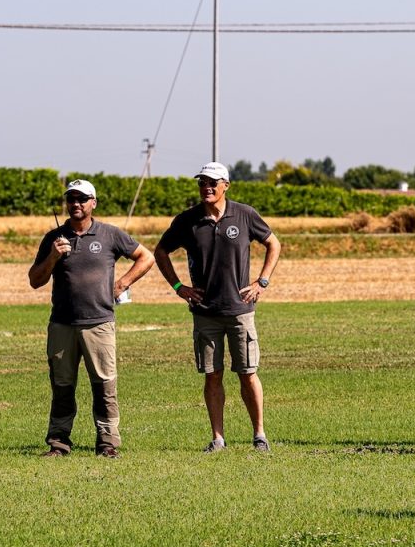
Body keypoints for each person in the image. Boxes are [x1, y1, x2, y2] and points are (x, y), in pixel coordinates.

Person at [154, 162, 282, 454]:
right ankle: (218, 438)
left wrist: (262, 281)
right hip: (205, 312)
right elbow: (160, 251)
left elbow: (273, 243)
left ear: (226, 185)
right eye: (202, 183)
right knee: (213, 375)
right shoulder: (188, 220)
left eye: (213, 183)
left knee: (248, 373)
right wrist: (178, 287)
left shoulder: (245, 214)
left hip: (240, 311)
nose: (207, 188)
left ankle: (259, 435)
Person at [28, 179, 154, 458]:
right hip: (62, 324)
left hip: (99, 323)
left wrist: (121, 284)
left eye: (82, 199)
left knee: (104, 385)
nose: (75, 204)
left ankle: (107, 442)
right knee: (62, 386)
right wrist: (52, 257)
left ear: (93, 203)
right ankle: (59, 443)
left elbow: (146, 257)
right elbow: (35, 280)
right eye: (71, 199)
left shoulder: (109, 235)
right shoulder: (53, 238)